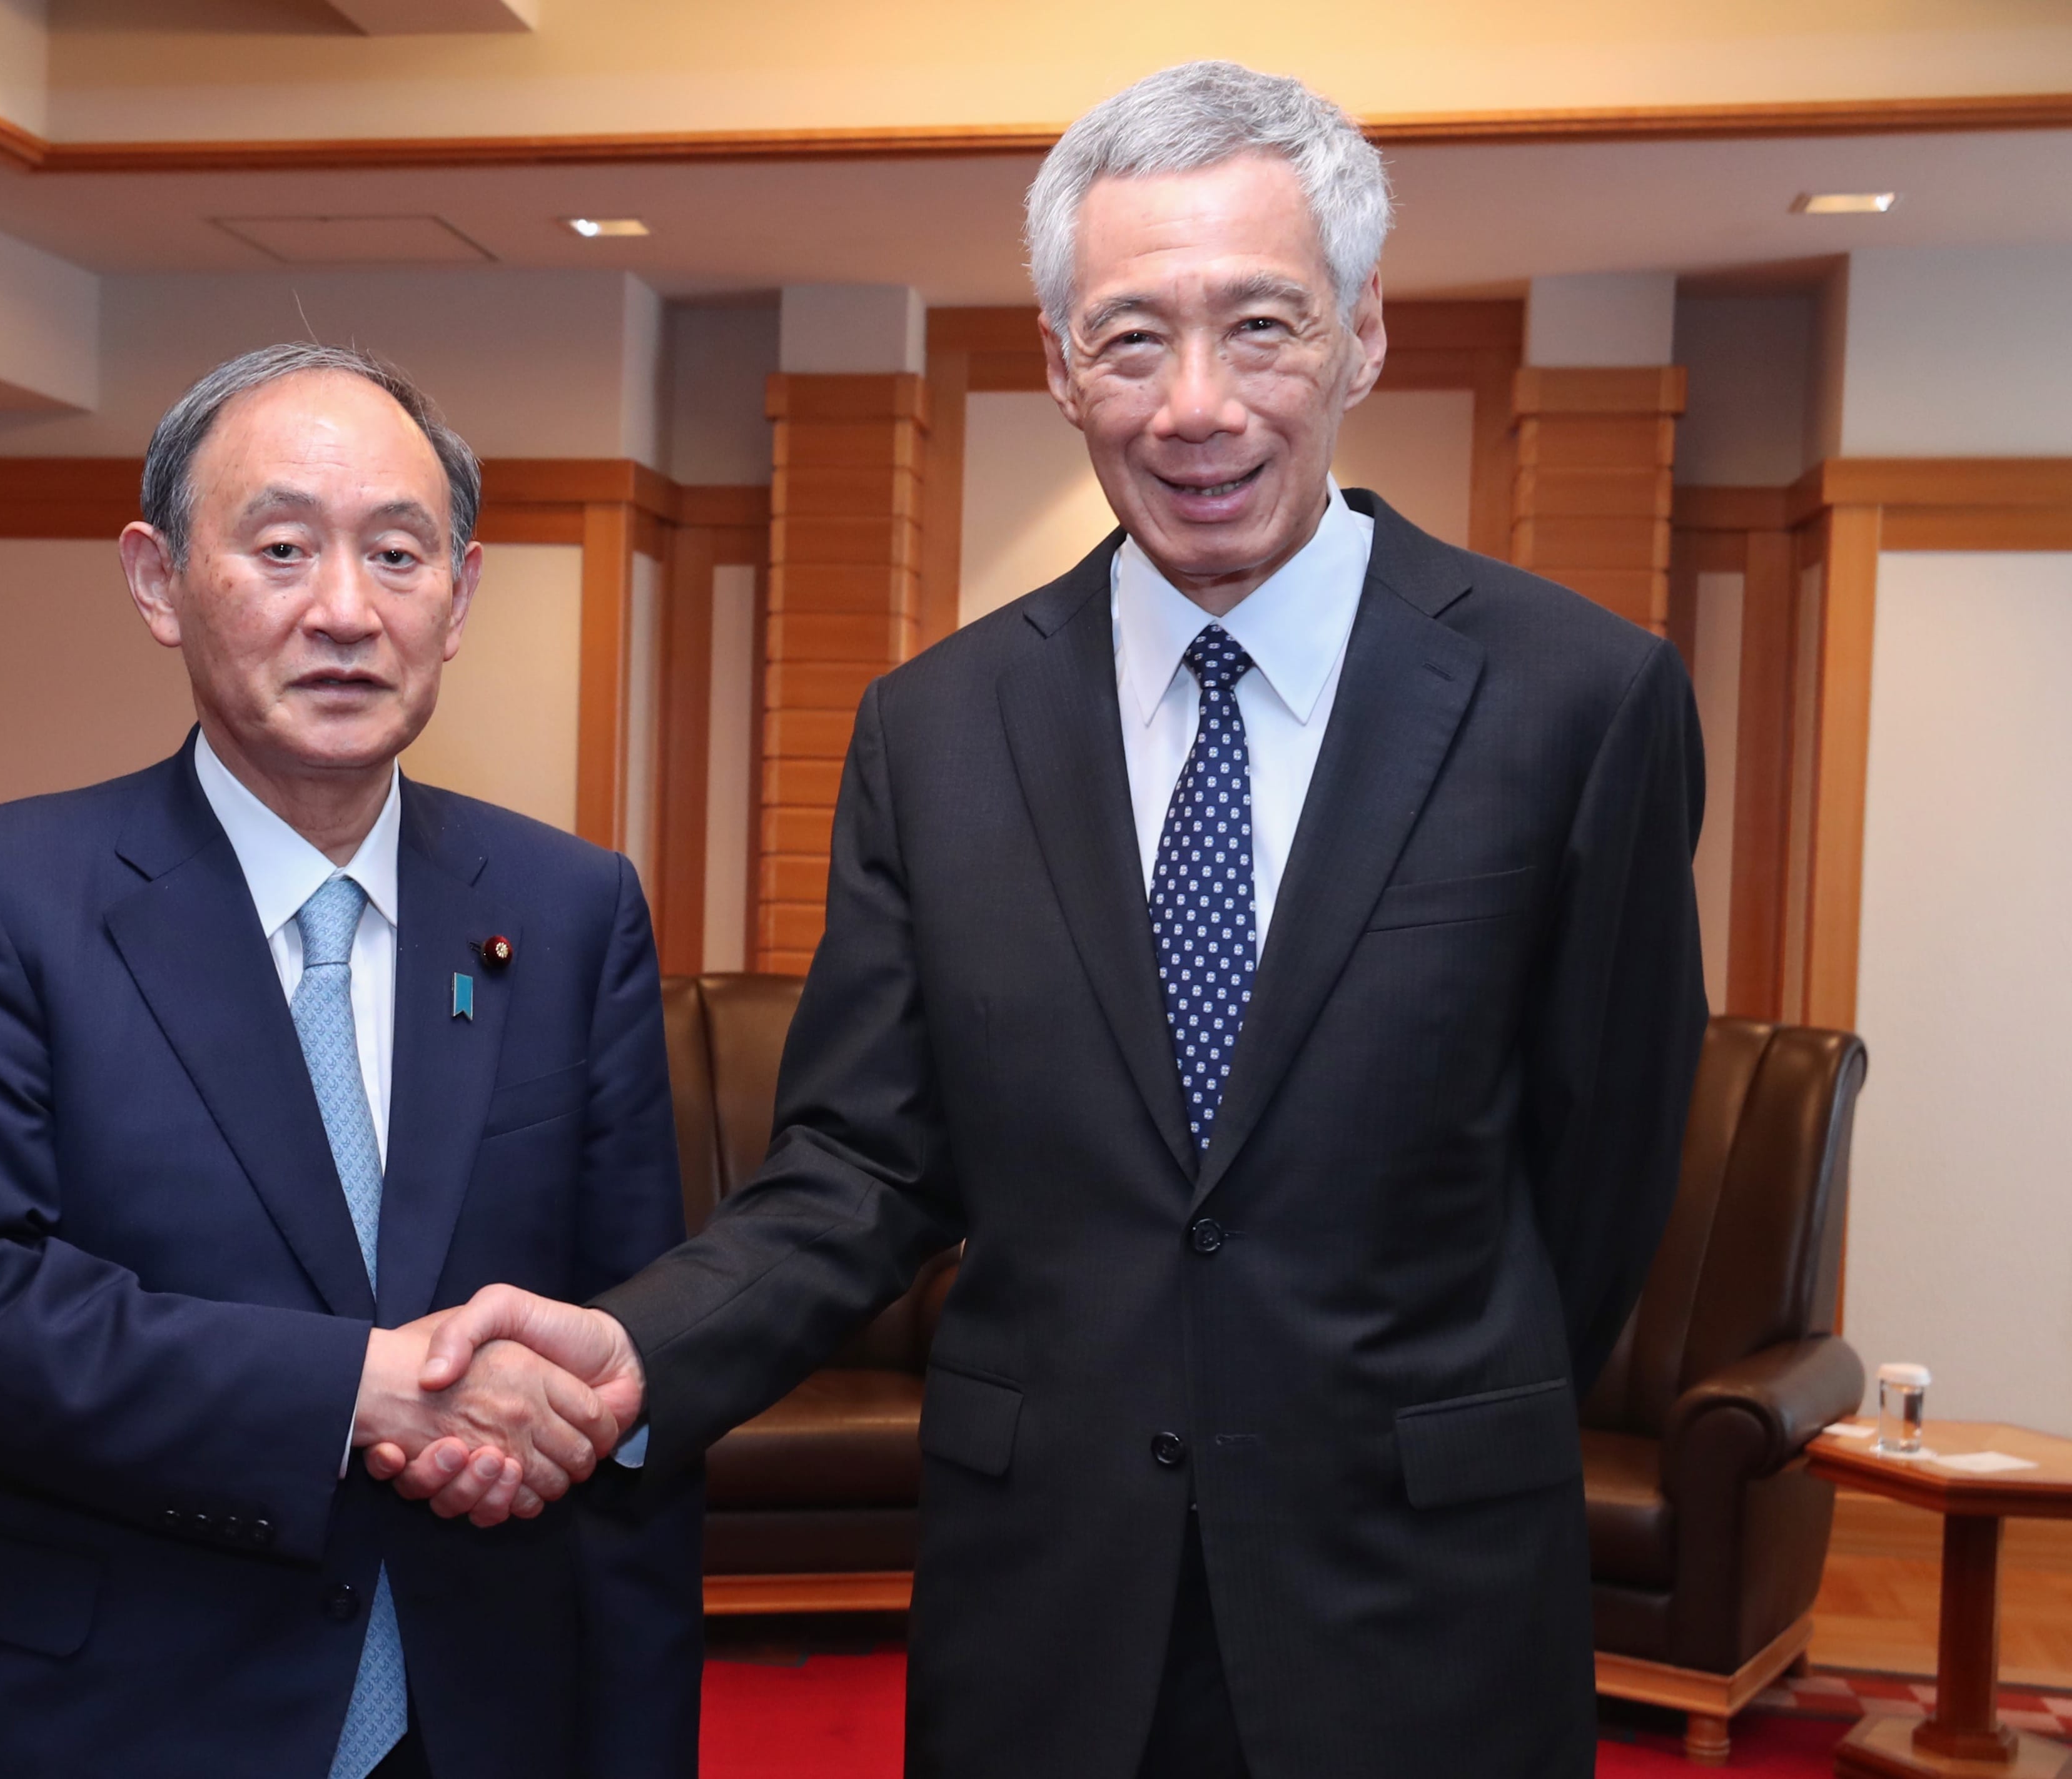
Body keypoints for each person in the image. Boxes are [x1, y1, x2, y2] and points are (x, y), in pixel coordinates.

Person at [383, 61, 1708, 1778]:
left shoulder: (1578, 702)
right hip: (1047, 1618)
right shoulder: (935, 730)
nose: (1196, 406)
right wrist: (631, 1348)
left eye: (1262, 328)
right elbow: (858, 1162)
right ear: (1057, 363)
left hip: (1423, 1606)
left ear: (1365, 335)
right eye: (1133, 338)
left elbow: (1597, 1184)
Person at [0, 343, 699, 1778]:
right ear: (158, 581)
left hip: (485, 1710)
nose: (346, 613)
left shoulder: (568, 908)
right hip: (103, 1720)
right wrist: (356, 1387)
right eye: (284, 548)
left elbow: (625, 1348)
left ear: (463, 593)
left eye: (399, 555)